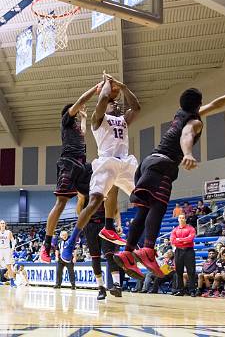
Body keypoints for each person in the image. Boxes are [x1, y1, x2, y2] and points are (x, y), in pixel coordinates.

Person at [113, 87, 225, 279]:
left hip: (147, 164)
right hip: (163, 164)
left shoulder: (181, 113)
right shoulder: (195, 122)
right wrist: (188, 153)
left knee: (143, 210)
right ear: (198, 104)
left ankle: (127, 252)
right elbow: (186, 134)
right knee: (158, 207)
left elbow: (216, 104)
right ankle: (147, 250)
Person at [61, 74, 141, 263]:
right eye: (113, 103)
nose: (116, 104)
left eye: (117, 104)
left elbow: (136, 107)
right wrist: (107, 84)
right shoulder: (98, 118)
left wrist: (122, 86)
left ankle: (135, 246)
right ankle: (72, 242)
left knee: (144, 199)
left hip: (125, 162)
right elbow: (104, 98)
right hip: (106, 162)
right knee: (95, 200)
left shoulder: (123, 120)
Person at [40, 84, 99, 262]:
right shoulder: (66, 119)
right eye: (77, 110)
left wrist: (84, 118)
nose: (80, 109)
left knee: (97, 194)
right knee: (61, 203)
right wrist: (95, 89)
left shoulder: (76, 126)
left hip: (82, 165)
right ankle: (47, 245)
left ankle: (77, 237)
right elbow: (81, 100)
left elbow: (83, 131)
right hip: (69, 163)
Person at [83, 186, 123, 300]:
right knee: (95, 257)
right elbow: (79, 209)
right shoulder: (85, 189)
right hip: (90, 226)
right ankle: (101, 288)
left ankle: (117, 285)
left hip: (106, 224)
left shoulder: (107, 186)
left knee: (110, 255)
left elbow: (115, 208)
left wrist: (118, 224)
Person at [170, 214, 196, 296]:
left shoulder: (191, 228)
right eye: (180, 218)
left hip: (189, 251)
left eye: (183, 218)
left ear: (185, 219)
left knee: (191, 271)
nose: (182, 219)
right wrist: (183, 241)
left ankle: (192, 290)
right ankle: (180, 290)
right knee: (178, 271)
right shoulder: (175, 230)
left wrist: (179, 240)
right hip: (178, 251)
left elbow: (190, 239)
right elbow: (173, 241)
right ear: (178, 219)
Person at [0, 220, 16, 287]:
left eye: (3, 223)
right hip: (0, 249)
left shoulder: (8, 232)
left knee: (9, 266)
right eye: (1, 223)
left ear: (5, 224)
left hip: (7, 249)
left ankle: (12, 282)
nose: (2, 224)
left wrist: (12, 248)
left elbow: (13, 241)